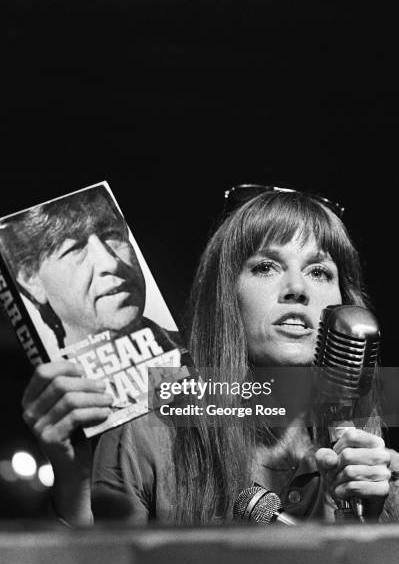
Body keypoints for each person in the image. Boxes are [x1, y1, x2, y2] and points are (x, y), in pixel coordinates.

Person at [22, 186, 399, 525]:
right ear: (225, 296)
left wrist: (371, 519)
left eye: (319, 272)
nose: (297, 289)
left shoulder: (370, 462)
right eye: (265, 267)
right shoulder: (147, 434)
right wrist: (73, 486)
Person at [1, 186, 176, 354]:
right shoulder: (35, 380)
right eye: (75, 248)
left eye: (112, 235)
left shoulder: (193, 355)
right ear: (30, 278)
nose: (110, 264)